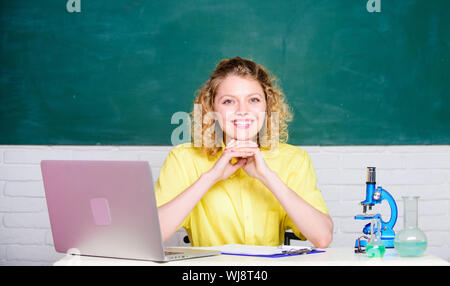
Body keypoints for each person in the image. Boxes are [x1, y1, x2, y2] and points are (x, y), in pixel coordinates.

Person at [155, 57, 333, 248]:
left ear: (267, 106)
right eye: (229, 101)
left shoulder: (294, 159)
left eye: (253, 100)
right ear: (211, 108)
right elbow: (151, 236)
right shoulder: (183, 158)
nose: (242, 110)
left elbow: (322, 237)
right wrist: (211, 177)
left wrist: (267, 176)